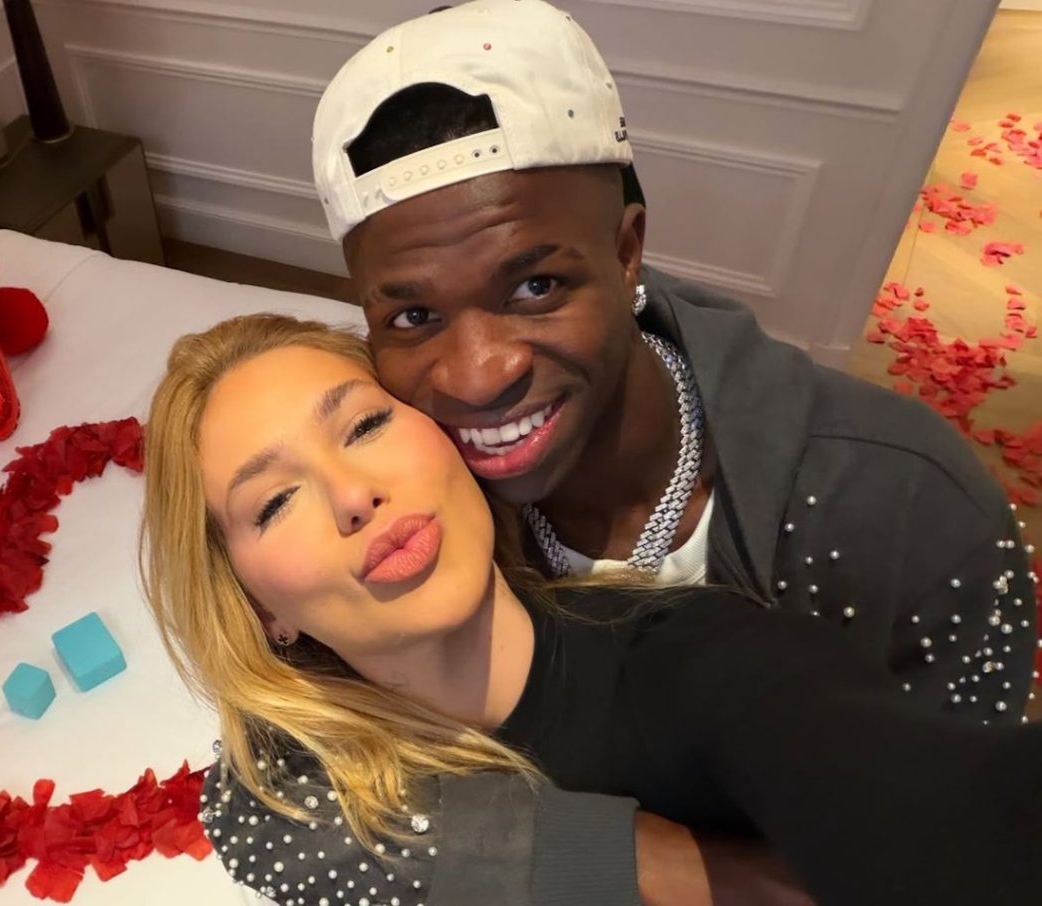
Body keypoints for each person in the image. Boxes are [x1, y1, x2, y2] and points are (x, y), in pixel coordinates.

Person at [234, 1, 1038, 902]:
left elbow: (964, 836)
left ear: (626, 254)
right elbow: (259, 796)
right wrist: (655, 864)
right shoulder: (413, 485)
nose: (475, 376)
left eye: (535, 286)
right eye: (414, 315)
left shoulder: (906, 509)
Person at [140, 313, 1042, 906]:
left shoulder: (697, 655)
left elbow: (953, 825)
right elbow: (244, 814)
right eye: (274, 501)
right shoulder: (292, 780)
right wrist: (635, 861)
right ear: (259, 608)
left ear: (450, 444)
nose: (352, 494)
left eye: (366, 426)